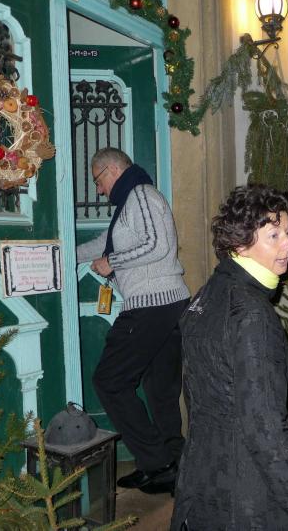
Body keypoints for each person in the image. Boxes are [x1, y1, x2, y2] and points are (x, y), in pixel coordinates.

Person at [170, 185, 288, 530]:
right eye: (274, 235)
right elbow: (267, 433)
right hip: (244, 498)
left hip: (200, 485)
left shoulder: (207, 295)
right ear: (239, 243)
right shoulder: (252, 315)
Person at [76, 147, 190, 494]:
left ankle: (157, 463)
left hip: (151, 305)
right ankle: (175, 466)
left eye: (98, 181)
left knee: (109, 381)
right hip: (168, 304)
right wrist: (65, 253)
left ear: (112, 170)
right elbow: (105, 242)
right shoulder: (131, 201)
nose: (99, 190)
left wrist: (113, 262)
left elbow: (157, 245)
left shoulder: (140, 193)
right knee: (160, 390)